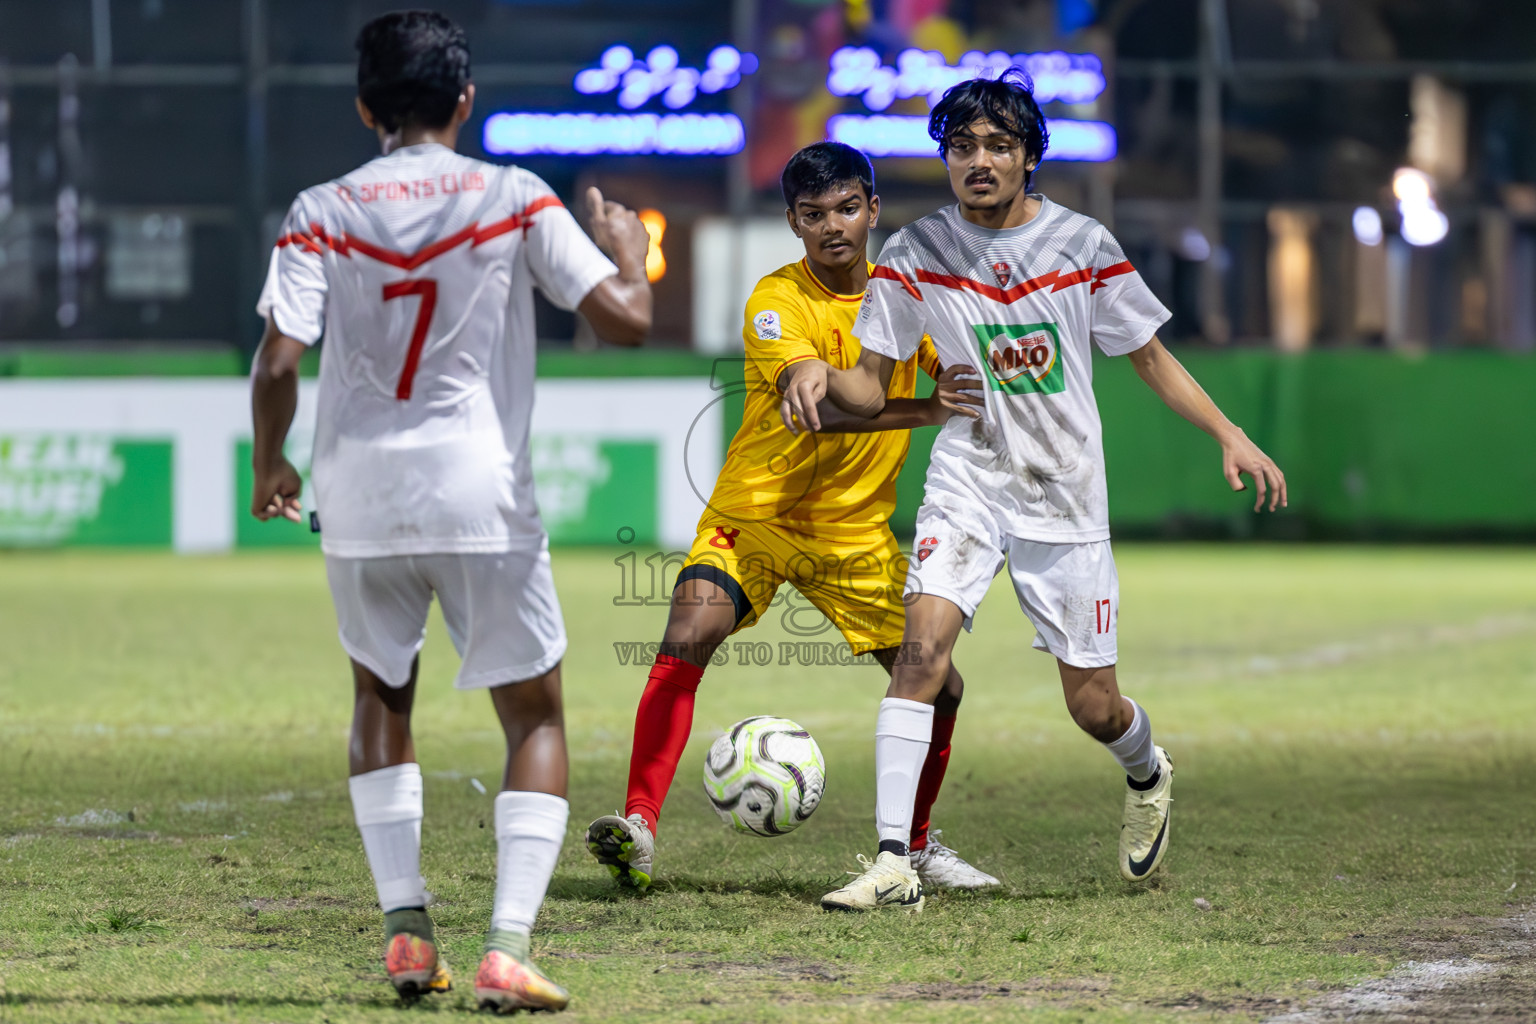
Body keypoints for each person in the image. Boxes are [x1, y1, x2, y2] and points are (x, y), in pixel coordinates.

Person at [779, 72, 1287, 913]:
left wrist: (1229, 432)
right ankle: (893, 861)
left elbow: (1150, 356)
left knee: (1093, 707)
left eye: (998, 146)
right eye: (962, 146)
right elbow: (868, 388)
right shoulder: (913, 255)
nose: (978, 162)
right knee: (919, 656)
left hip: (1064, 494)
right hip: (969, 481)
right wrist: (809, 371)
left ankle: (1148, 771)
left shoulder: (1083, 245)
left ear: (1028, 156)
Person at [248, 10, 652, 1011]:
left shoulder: (319, 208)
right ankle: (506, 946)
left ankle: (405, 933)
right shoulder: (514, 197)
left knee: (382, 696)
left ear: (363, 106)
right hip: (481, 491)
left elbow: (278, 359)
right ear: (466, 100)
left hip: (357, 493)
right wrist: (629, 251)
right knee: (535, 714)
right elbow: (628, 324)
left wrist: (272, 465)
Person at [585, 142, 997, 894]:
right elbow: (819, 405)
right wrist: (918, 408)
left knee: (939, 687)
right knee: (689, 631)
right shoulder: (776, 300)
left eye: (846, 208)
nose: (832, 226)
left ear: (873, 209)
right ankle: (638, 826)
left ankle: (918, 846)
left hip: (853, 532)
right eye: (814, 215)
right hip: (758, 512)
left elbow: (964, 371)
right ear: (793, 223)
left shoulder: (910, 298)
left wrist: (977, 381)